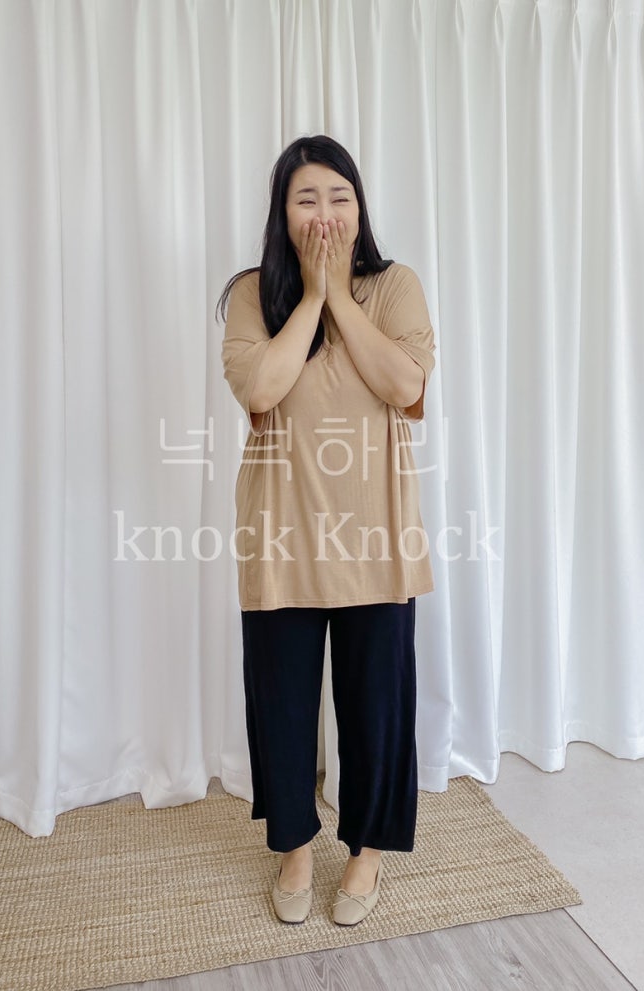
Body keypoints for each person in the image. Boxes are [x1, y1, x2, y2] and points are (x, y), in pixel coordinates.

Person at [219, 135, 435, 926]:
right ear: (282, 212)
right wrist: (310, 295)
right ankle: (293, 848)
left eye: (338, 197)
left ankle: (367, 851)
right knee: (280, 705)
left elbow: (404, 383)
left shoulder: (394, 286)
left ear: (359, 206)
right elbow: (260, 388)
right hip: (281, 535)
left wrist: (340, 294)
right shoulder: (254, 294)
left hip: (377, 536)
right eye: (306, 198)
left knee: (376, 706)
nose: (324, 213)